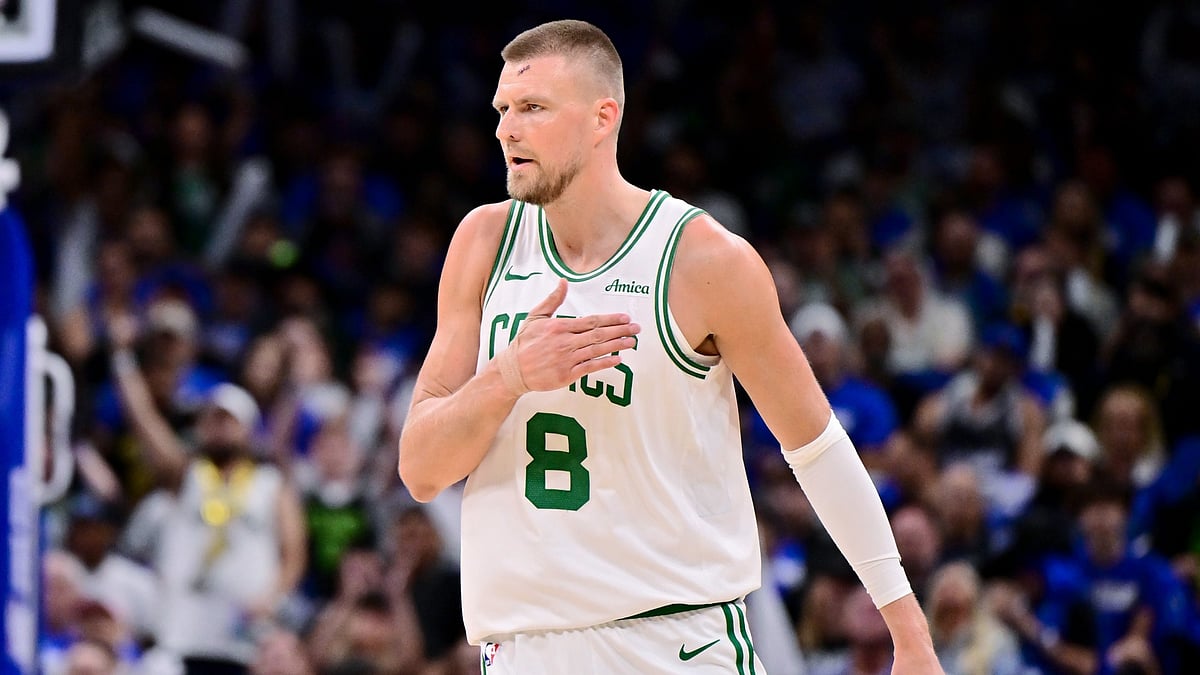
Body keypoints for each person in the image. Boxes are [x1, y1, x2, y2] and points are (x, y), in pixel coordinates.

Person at [397, 19, 942, 673]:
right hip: (523, 649)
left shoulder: (702, 259)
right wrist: (508, 375)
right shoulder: (483, 244)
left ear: (603, 118)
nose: (506, 130)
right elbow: (422, 469)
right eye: (503, 110)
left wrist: (908, 631)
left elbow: (818, 448)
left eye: (533, 108)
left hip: (672, 642)